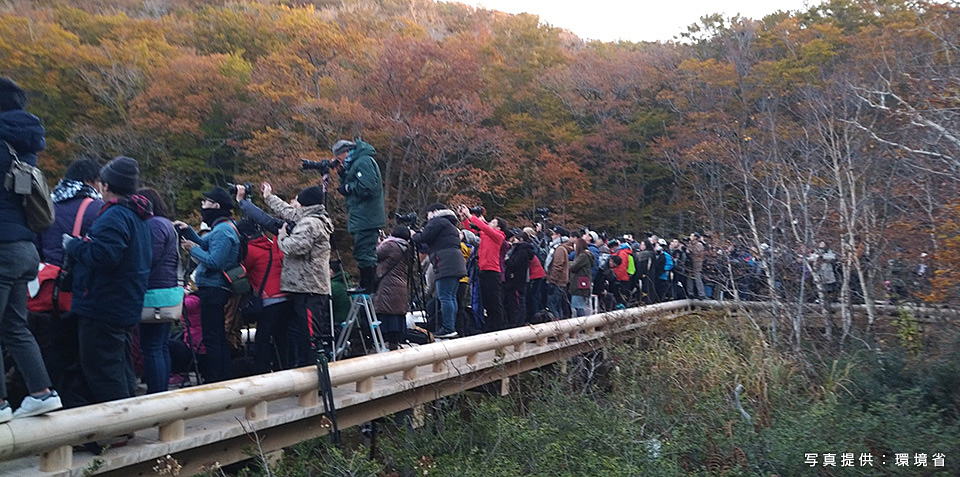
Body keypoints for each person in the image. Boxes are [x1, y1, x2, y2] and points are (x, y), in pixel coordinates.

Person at [63, 156, 152, 405]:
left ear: (106, 185)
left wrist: (74, 246)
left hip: (102, 303)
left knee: (103, 370)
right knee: (120, 366)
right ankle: (127, 424)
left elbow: (103, 255)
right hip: (126, 303)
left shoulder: (115, 216)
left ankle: (116, 430)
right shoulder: (139, 217)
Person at [0, 77, 62, 421]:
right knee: (13, 326)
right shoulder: (26, 145)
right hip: (25, 247)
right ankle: (41, 393)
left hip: (2, 247)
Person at [261, 183, 334, 365]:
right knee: (301, 335)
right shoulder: (313, 216)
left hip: (309, 289)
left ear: (305, 205)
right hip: (306, 288)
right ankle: (307, 375)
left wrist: (283, 235)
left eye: (299, 203)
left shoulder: (310, 223)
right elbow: (289, 212)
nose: (296, 207)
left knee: (309, 337)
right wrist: (269, 197)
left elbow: (293, 247)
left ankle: (314, 379)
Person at [173, 186, 239, 383]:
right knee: (216, 335)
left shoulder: (223, 230)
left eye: (206, 202)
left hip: (214, 289)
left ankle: (215, 379)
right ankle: (222, 377)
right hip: (215, 289)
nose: (202, 205)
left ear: (216, 205)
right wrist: (189, 231)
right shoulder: (224, 227)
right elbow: (206, 244)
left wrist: (192, 249)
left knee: (213, 337)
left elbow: (214, 261)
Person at [136, 188, 183, 394]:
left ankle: (156, 393)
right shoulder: (168, 225)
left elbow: (150, 258)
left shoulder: (154, 225)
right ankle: (161, 390)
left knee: (151, 348)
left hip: (153, 292)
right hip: (167, 291)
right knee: (161, 346)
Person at [235, 218, 289, 373]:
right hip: (286, 297)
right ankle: (283, 370)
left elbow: (240, 272)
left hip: (269, 299)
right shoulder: (272, 245)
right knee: (282, 338)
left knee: (262, 339)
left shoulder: (250, 251)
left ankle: (262, 373)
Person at [333, 140, 385, 293]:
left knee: (364, 251)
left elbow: (368, 186)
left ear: (346, 152)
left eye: (339, 157)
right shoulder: (354, 163)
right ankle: (367, 284)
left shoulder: (363, 161)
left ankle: (367, 285)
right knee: (361, 250)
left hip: (367, 216)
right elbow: (354, 183)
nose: (338, 160)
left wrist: (349, 187)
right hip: (361, 215)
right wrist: (342, 173)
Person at [412, 204, 467, 338]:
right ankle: (450, 326)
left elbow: (424, 237)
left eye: (428, 214)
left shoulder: (438, 221)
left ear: (435, 212)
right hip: (456, 262)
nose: (428, 218)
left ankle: (448, 327)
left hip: (445, 263)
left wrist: (413, 235)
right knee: (451, 296)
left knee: (445, 296)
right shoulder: (450, 225)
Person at [458, 205, 507, 331]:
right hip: (483, 270)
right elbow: (471, 229)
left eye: (493, 222)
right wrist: (463, 218)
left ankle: (497, 326)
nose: (490, 223)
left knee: (494, 302)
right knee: (486, 301)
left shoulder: (499, 236)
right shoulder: (486, 234)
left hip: (493, 272)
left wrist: (470, 215)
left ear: (498, 227)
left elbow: (483, 226)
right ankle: (489, 326)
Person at [375, 226, 411, 347]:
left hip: (388, 284)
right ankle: (394, 343)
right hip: (401, 285)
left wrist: (378, 242)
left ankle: (383, 344)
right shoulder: (407, 247)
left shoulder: (391, 246)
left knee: (386, 314)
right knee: (396, 315)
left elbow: (375, 254)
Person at [503, 229, 534, 327]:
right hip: (520, 280)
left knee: (518, 303)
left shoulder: (522, 252)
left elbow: (515, 265)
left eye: (515, 239)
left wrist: (507, 260)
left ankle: (517, 322)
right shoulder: (523, 251)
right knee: (519, 302)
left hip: (517, 281)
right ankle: (517, 321)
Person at [545, 227, 574, 318]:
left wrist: (552, 280)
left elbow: (558, 266)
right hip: (560, 282)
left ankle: (557, 327)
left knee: (553, 306)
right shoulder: (562, 248)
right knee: (558, 306)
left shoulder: (559, 249)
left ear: (558, 235)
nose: (552, 236)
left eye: (553, 234)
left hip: (557, 282)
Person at [569, 237, 595, 317]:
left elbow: (572, 267)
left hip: (579, 286)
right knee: (581, 306)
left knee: (577, 307)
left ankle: (580, 327)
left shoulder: (583, 256)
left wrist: (568, 262)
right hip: (584, 285)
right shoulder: (587, 255)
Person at [687, 233, 706, 299]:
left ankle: (701, 294)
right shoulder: (690, 244)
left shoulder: (699, 244)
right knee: (689, 277)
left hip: (697, 263)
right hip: (690, 263)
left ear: (695, 237)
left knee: (698, 278)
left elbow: (698, 253)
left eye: (691, 236)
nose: (690, 237)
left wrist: (690, 249)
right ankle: (690, 293)